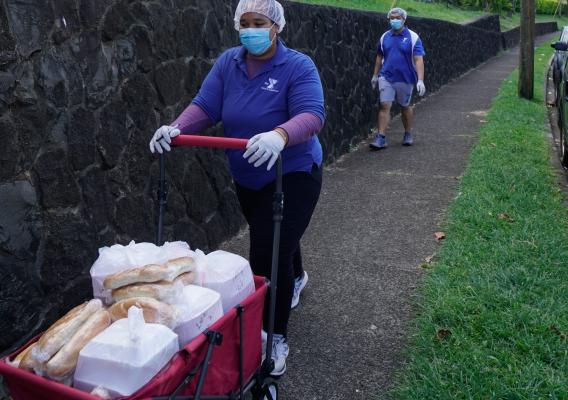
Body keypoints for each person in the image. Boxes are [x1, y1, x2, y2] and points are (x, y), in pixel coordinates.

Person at [149, 0, 324, 376]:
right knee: (276, 235)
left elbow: (312, 115)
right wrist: (178, 127)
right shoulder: (229, 62)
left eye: (258, 22)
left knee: (265, 253)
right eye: (244, 23)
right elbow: (205, 106)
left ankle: (273, 337)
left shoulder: (297, 66)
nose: (250, 29)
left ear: (276, 26)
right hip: (247, 174)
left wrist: (280, 134)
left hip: (291, 171)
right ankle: (296, 276)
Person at [369, 7, 426, 150]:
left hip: (405, 78)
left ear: (404, 19)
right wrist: (375, 75)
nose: (394, 20)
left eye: (397, 18)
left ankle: (407, 133)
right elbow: (379, 56)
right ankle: (381, 137)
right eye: (392, 18)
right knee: (384, 105)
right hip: (386, 76)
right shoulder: (385, 37)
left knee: (404, 106)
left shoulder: (413, 37)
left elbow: (418, 59)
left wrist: (420, 80)